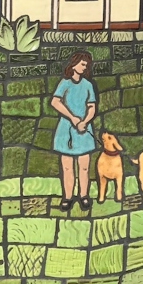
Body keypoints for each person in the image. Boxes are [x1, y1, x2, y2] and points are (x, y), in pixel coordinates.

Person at [50, 50, 97, 212]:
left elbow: (92, 107)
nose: (84, 68)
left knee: (84, 167)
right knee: (67, 167)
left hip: (83, 130)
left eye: (86, 65)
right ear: (74, 64)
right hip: (66, 130)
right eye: (83, 64)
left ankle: (84, 195)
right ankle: (68, 197)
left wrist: (84, 121)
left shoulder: (88, 85)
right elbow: (55, 102)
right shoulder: (65, 83)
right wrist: (73, 118)